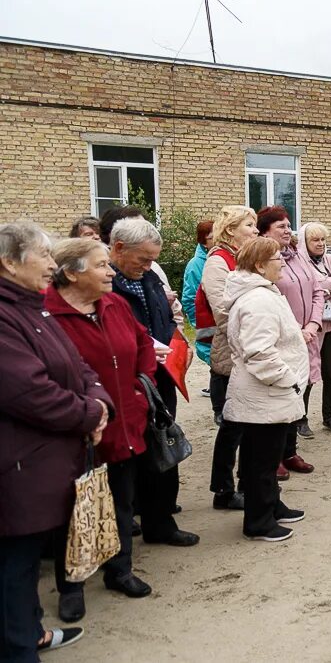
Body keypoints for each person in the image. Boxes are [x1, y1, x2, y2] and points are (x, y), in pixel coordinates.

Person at [1, 220, 112, 657]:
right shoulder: (8, 315)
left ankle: (31, 634)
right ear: (8, 263)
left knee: (24, 563)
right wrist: (89, 414)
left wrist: (99, 402)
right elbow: (29, 392)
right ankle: (18, 648)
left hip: (41, 462)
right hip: (18, 467)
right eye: (43, 256)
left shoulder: (32, 306)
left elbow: (80, 367)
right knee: (15, 563)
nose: (53, 264)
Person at [45, 238, 159, 621]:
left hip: (125, 421)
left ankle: (119, 570)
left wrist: (140, 386)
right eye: (100, 266)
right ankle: (71, 586)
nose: (111, 271)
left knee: (122, 501)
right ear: (73, 272)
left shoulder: (115, 304)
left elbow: (143, 343)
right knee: (72, 510)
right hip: (76, 428)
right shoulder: (46, 314)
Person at [108, 217, 199, 547]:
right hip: (128, 383)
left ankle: (160, 522)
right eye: (143, 259)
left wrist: (176, 346)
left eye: (152, 259)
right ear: (118, 249)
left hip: (160, 377)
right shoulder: (105, 283)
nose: (149, 265)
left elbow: (165, 318)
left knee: (163, 445)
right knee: (131, 458)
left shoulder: (146, 277)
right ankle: (126, 531)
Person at [221, 237, 307, 542]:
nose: (282, 262)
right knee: (260, 460)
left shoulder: (263, 293)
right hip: (265, 393)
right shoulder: (257, 300)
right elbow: (259, 352)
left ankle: (271, 506)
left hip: (269, 395)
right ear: (259, 265)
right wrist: (288, 379)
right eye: (276, 259)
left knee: (267, 458)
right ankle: (258, 522)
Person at [198, 206, 260, 501]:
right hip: (229, 353)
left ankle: (247, 483)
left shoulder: (241, 259)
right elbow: (222, 310)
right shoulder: (218, 261)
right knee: (232, 425)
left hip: (246, 349)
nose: (256, 231)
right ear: (231, 229)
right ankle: (223, 490)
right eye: (250, 225)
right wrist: (257, 324)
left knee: (248, 426)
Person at [257, 206, 320, 472]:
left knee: (298, 393)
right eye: (281, 226)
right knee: (278, 396)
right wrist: (298, 330)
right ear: (265, 231)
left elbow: (317, 289)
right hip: (282, 338)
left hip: (307, 336)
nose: (288, 230)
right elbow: (269, 297)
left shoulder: (297, 256)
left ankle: (290, 452)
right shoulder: (261, 259)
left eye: (288, 225)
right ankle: (273, 457)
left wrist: (314, 324)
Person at [297, 223, 331, 432]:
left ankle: (329, 416)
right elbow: (304, 287)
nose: (320, 244)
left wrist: (318, 286)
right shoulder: (298, 262)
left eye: (322, 240)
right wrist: (326, 286)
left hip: (330, 326)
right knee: (307, 374)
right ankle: (301, 419)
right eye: (315, 240)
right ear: (305, 242)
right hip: (310, 327)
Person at [183, 220, 215, 368]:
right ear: (204, 242)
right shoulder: (195, 265)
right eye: (212, 237)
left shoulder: (220, 258)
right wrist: (200, 324)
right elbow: (189, 299)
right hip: (209, 327)